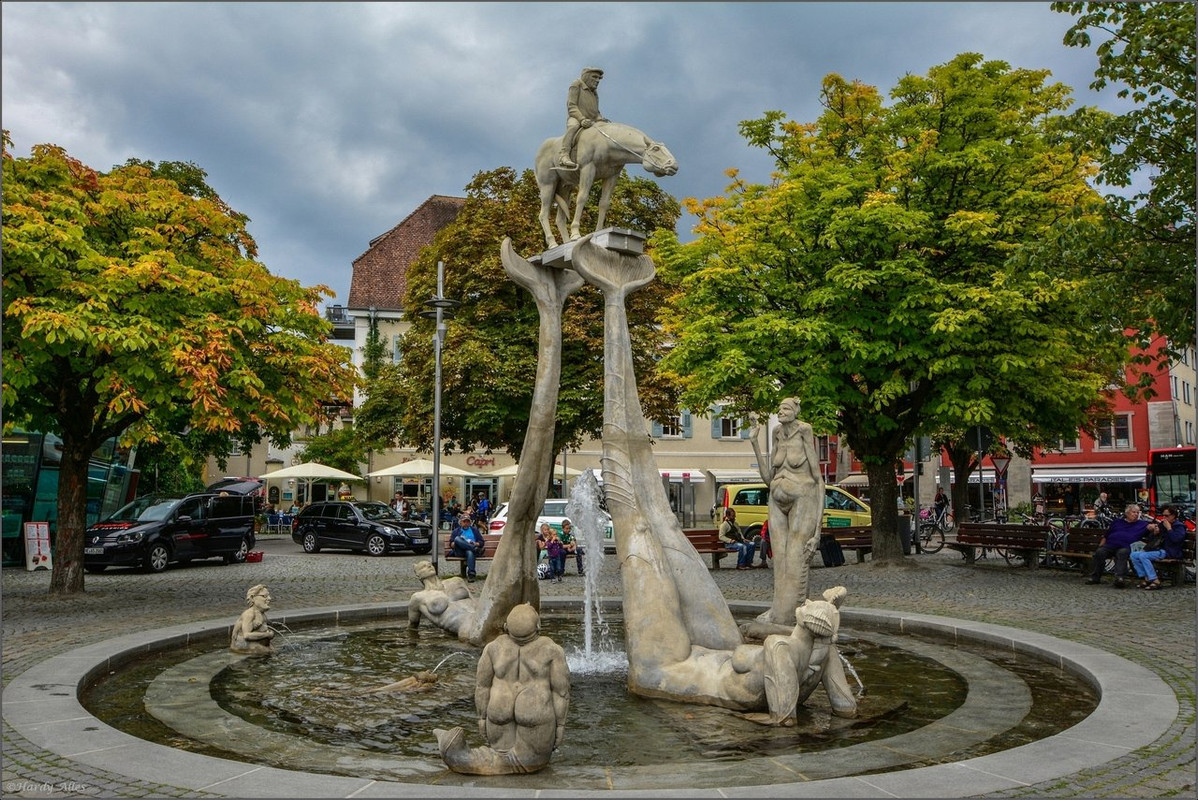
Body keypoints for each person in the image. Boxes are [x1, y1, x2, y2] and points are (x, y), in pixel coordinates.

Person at [435, 604, 570, 774]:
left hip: (498, 716)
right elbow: (561, 693)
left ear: (506, 627)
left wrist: (482, 719)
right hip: (535, 720)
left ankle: (458, 753)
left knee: (501, 755)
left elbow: (482, 687)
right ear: (538, 626)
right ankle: (458, 753)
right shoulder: (552, 650)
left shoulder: (493, 648)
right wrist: (560, 727)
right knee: (530, 761)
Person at [1086, 503, 1152, 588]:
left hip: (1126, 546)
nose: (1136, 514)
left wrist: (1153, 528)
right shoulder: (1117, 522)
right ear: (1127, 513)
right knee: (1100, 552)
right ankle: (1095, 577)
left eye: (1137, 512)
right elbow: (1106, 535)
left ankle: (1120, 578)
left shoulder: (1142, 524)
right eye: (1134, 512)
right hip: (1110, 545)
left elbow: (1153, 527)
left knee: (1122, 553)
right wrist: (1100, 546)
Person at [407, 560, 477, 638]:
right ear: (418, 575)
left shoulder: (456, 581)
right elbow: (412, 626)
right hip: (464, 626)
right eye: (424, 566)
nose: (429, 566)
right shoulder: (419, 597)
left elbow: (475, 601)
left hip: (478, 616)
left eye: (430, 564)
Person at [557, 67, 606, 169]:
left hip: (592, 120)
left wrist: (600, 119)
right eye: (595, 77)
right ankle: (564, 155)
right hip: (577, 118)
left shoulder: (594, 92)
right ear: (587, 76)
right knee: (573, 127)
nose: (597, 81)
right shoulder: (576, 85)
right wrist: (582, 119)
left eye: (599, 78)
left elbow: (596, 110)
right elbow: (571, 106)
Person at [1130, 506, 1186, 590]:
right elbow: (1152, 540)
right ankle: (1145, 578)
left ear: (1173, 516)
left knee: (1143, 556)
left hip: (1170, 552)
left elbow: (1176, 540)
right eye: (1163, 515)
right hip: (1159, 550)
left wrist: (1169, 528)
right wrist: (1154, 533)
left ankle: (1155, 580)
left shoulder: (1179, 526)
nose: (1164, 518)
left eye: (1167, 516)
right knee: (1133, 555)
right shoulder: (1162, 525)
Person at [230, 584, 276, 655]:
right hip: (244, 646)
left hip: (259, 644)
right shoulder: (249, 614)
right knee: (267, 651)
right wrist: (267, 635)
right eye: (264, 596)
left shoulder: (261, 613)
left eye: (268, 596)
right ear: (253, 598)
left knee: (272, 650)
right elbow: (247, 635)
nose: (269, 598)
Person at [451, 513, 486, 581]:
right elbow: (451, 544)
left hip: (469, 551)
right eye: (464, 521)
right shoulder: (456, 531)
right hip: (460, 551)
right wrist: (455, 543)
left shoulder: (474, 530)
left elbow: (481, 542)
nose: (466, 523)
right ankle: (475, 549)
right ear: (460, 522)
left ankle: (471, 574)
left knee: (470, 552)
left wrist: (476, 544)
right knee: (457, 539)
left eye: (468, 521)